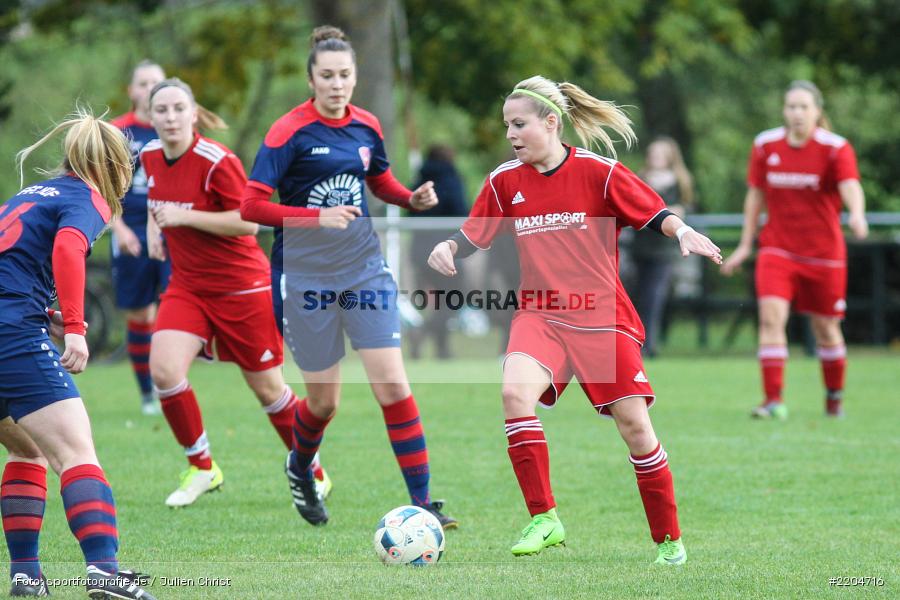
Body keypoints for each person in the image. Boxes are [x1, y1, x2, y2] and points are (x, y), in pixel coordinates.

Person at [427, 76, 723, 561]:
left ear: (551, 122)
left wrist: (682, 231)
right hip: (539, 314)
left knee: (635, 427)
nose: (511, 135)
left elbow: (654, 211)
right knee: (513, 393)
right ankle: (545, 519)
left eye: (518, 124)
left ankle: (669, 540)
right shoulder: (504, 180)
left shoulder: (599, 172)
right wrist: (449, 245)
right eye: (506, 126)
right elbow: (474, 233)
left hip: (601, 318)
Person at [240, 25, 457, 529]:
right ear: (311, 79)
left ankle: (423, 503)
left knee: (394, 386)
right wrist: (315, 217)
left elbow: (377, 178)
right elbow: (251, 206)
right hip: (305, 277)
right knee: (324, 402)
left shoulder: (367, 126)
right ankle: (299, 466)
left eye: (345, 75)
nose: (337, 84)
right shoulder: (287, 132)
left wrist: (409, 198)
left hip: (363, 270)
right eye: (327, 76)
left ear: (354, 77)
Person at [142, 78, 329, 508]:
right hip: (188, 287)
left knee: (268, 390)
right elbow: (161, 203)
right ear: (150, 117)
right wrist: (156, 226)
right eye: (162, 110)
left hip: (242, 287)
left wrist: (181, 219)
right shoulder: (149, 156)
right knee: (165, 371)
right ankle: (203, 468)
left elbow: (247, 222)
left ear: (193, 113)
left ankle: (311, 470)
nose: (170, 117)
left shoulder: (215, 160)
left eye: (178, 108)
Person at [0, 108, 156, 598]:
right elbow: (68, 249)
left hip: (10, 322)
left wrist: (44, 307)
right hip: (11, 334)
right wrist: (77, 328)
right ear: (115, 166)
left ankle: (26, 577)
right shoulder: (88, 197)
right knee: (76, 453)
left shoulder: (28, 194)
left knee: (25, 449)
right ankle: (105, 574)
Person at [721, 80, 868, 419]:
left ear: (818, 111)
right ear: (784, 111)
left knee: (826, 329)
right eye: (791, 107)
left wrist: (857, 215)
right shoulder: (765, 145)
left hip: (824, 254)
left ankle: (834, 400)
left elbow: (851, 186)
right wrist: (746, 245)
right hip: (777, 249)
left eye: (804, 107)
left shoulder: (835, 148)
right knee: (771, 319)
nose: (797, 113)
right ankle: (773, 401)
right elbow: (755, 196)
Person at [110, 60, 171, 415]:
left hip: (170, 228)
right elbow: (100, 186)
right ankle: (148, 394)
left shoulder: (173, 127)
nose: (149, 88)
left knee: (173, 309)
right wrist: (118, 228)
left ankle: (169, 383)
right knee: (140, 314)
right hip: (130, 227)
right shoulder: (119, 132)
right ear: (132, 91)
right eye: (143, 83)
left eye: (156, 82)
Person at [406, 144, 469, 360]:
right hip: (445, 250)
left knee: (443, 303)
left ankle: (441, 348)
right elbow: (462, 211)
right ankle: (424, 331)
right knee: (454, 301)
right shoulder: (452, 180)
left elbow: (410, 213)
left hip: (419, 253)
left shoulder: (419, 181)